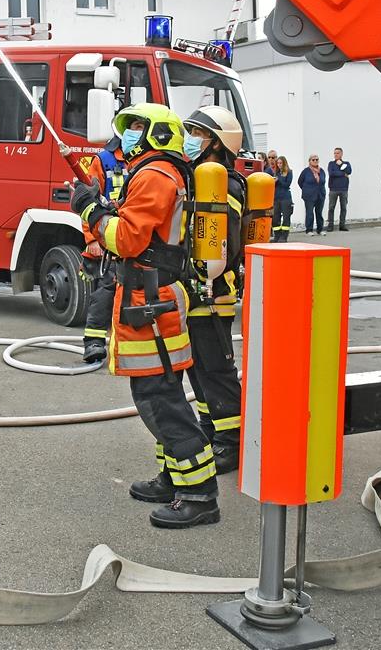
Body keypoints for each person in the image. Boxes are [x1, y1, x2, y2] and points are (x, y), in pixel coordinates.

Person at [70, 102, 219, 529]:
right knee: (157, 393)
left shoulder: (155, 174)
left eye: (139, 126)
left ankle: (199, 494)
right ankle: (174, 478)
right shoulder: (159, 172)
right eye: (129, 126)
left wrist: (90, 211)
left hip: (152, 302)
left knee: (161, 399)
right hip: (150, 297)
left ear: (158, 133)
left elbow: (129, 240)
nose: (131, 134)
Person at [181, 105, 246, 476]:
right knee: (199, 370)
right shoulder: (201, 179)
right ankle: (212, 433)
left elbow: (227, 241)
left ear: (217, 144)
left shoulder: (227, 184)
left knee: (217, 370)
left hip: (214, 291)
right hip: (195, 288)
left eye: (198, 133)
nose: (191, 138)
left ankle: (231, 443)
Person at [79, 134, 128, 363]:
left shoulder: (147, 161)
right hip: (108, 236)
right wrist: (91, 238)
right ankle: (94, 343)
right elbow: (88, 198)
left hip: (133, 237)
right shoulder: (104, 160)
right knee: (105, 290)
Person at [298, 154, 327, 235]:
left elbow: (323, 181)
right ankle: (309, 230)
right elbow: (300, 182)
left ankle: (320, 229)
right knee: (310, 212)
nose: (315, 161)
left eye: (317, 159)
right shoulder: (306, 171)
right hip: (309, 195)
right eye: (313, 160)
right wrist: (306, 190)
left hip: (320, 194)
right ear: (310, 161)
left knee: (319, 212)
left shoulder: (321, 171)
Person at [325, 147, 352, 231]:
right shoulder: (331, 164)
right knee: (331, 207)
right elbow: (331, 173)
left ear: (341, 154)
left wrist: (341, 165)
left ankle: (342, 225)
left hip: (344, 189)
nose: (336, 155)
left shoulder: (346, 163)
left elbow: (349, 171)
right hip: (333, 189)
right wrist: (343, 173)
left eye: (337, 153)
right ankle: (330, 225)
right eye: (335, 153)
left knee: (343, 207)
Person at [271, 155, 293, 242]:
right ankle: (277, 236)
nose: (279, 165)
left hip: (285, 198)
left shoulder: (289, 172)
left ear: (284, 163)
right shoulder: (276, 173)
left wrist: (279, 180)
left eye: (281, 163)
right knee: (275, 217)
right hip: (276, 198)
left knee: (286, 217)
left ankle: (284, 236)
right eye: (278, 163)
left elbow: (287, 184)